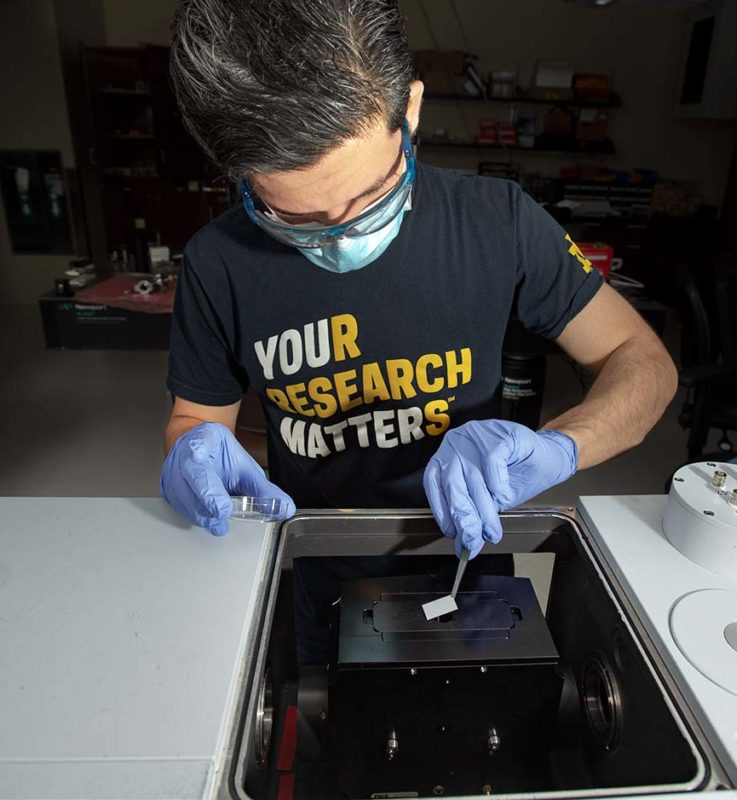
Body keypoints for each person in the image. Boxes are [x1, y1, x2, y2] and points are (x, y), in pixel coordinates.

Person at [161, 0, 676, 658]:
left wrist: (560, 447)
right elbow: (194, 418)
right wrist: (192, 451)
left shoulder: (499, 223)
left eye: (369, 197)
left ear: (410, 109)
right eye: (293, 219)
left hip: (469, 567)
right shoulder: (217, 262)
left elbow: (644, 361)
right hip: (310, 566)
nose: (341, 239)